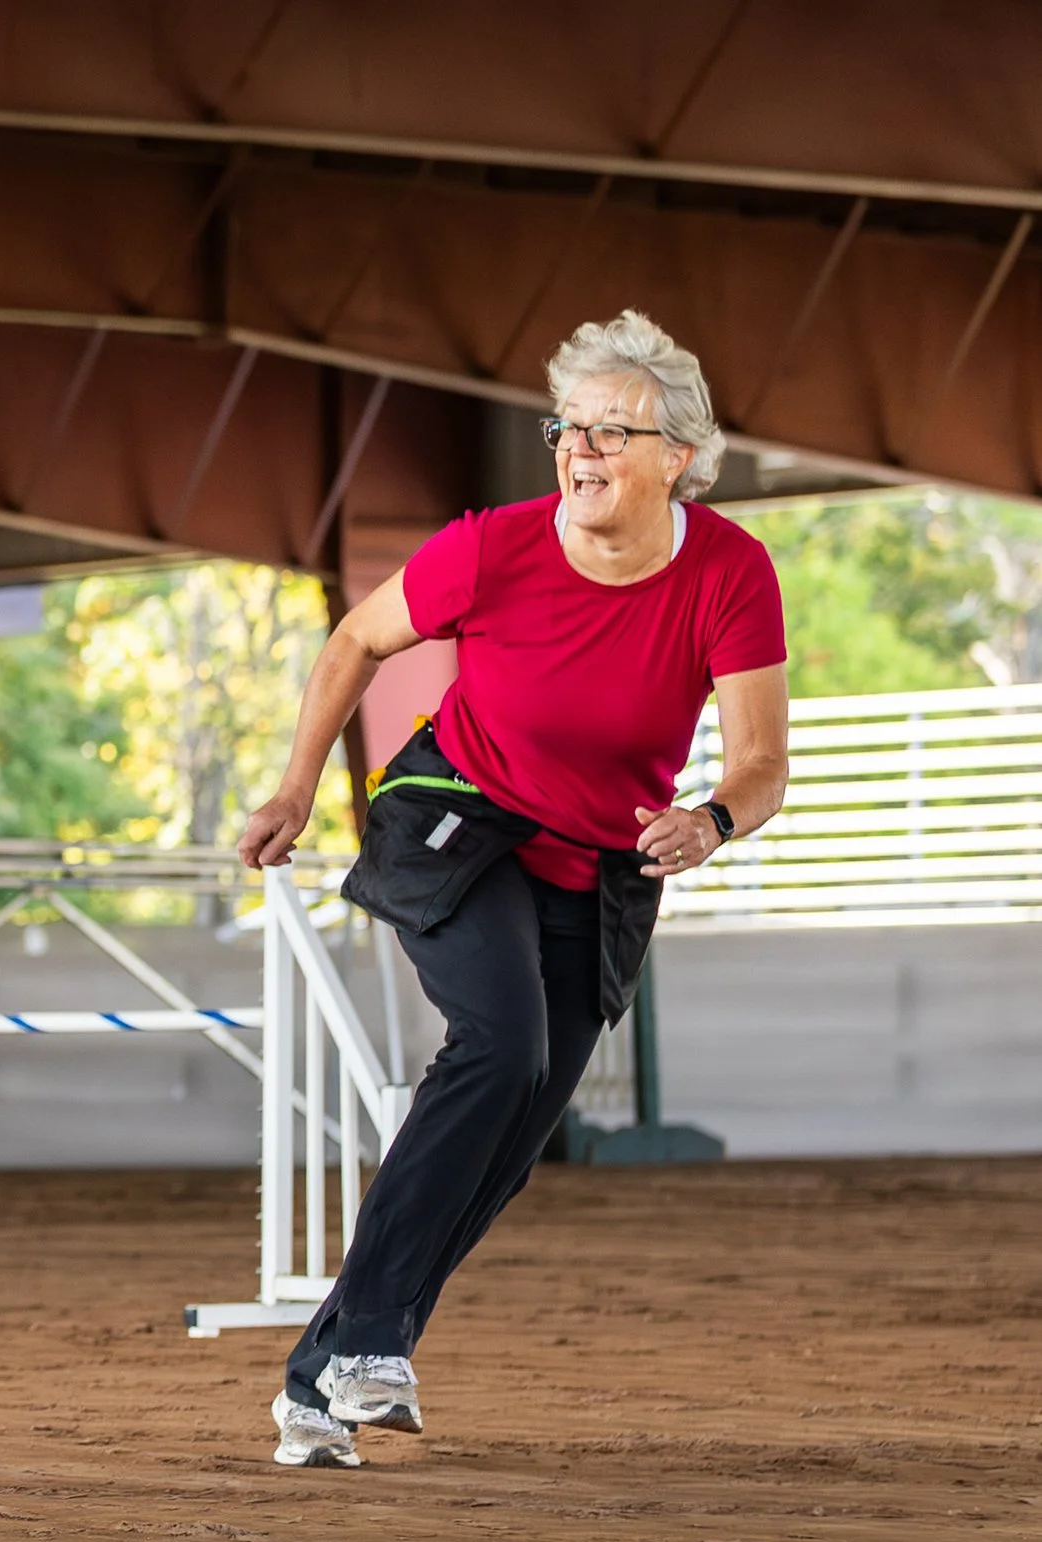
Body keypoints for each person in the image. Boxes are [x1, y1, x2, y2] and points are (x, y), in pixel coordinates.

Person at [236, 311, 791, 1468]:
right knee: (500, 1047)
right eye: (564, 428)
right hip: (459, 814)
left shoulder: (730, 571)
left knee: (518, 1126)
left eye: (609, 431)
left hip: (600, 856)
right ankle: (377, 1340)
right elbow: (352, 641)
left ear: (676, 455)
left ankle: (319, 1377)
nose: (579, 451)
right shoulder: (490, 544)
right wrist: (295, 786)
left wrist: (712, 817)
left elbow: (759, 759)